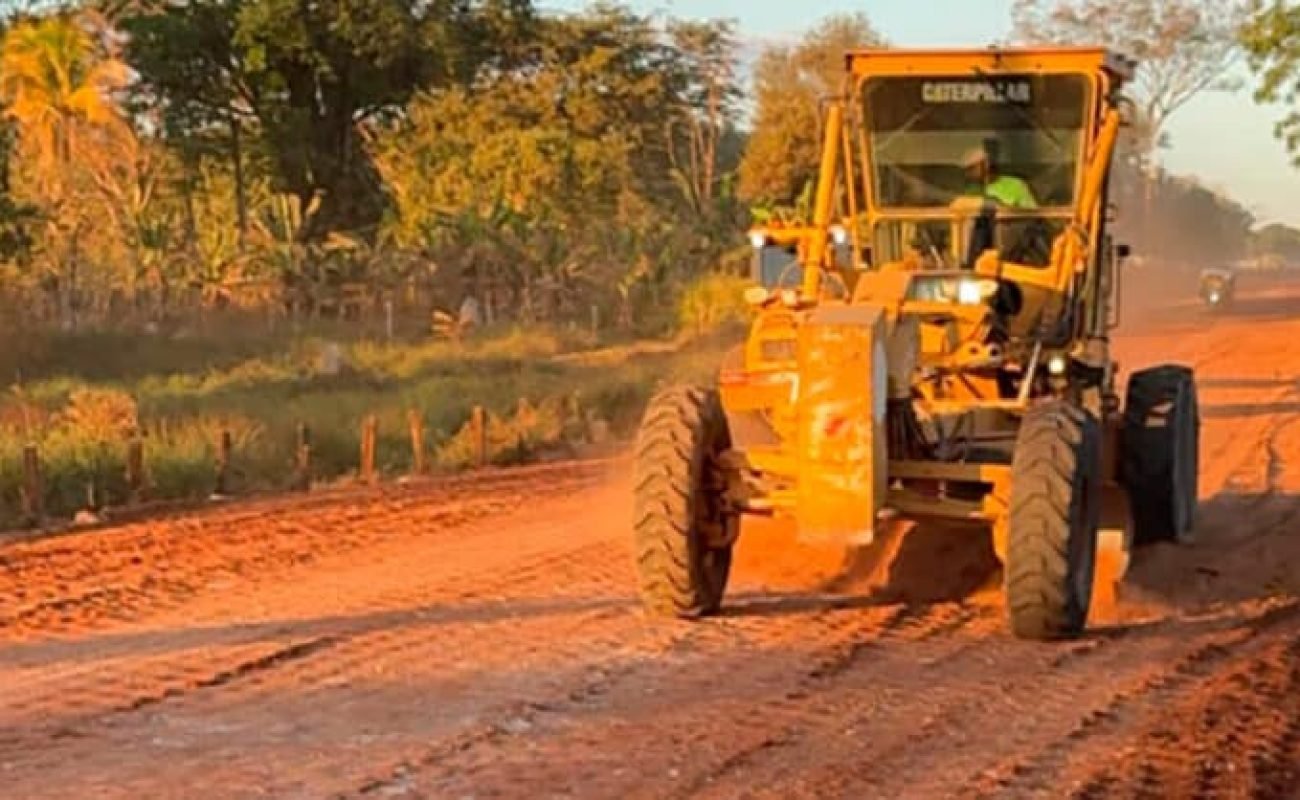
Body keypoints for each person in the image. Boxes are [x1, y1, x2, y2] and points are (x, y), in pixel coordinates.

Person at [962, 144, 1037, 209]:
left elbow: (1032, 213)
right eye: (966, 171)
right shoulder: (970, 190)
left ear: (986, 164)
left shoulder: (1016, 184)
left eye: (971, 168)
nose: (967, 174)